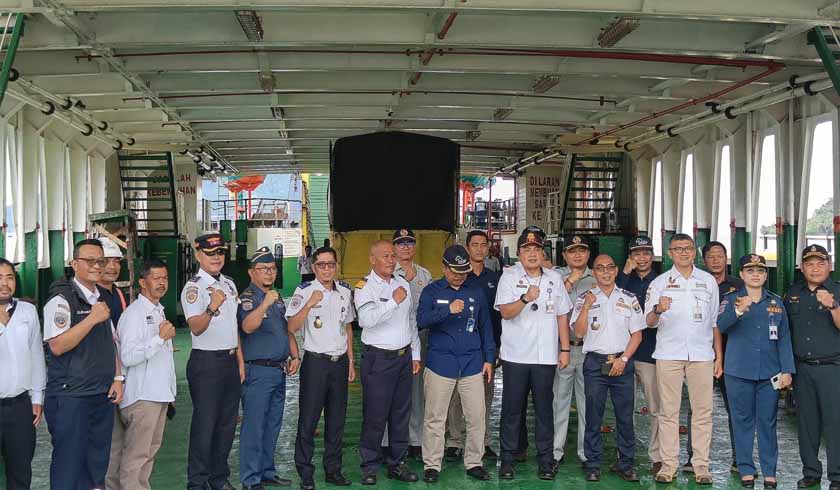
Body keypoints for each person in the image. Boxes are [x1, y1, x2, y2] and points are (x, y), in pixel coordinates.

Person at [42, 238, 125, 490]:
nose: (96, 266)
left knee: (96, 464)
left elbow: (110, 341)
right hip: (71, 395)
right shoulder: (61, 300)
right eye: (89, 260)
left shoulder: (101, 297)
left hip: (100, 394)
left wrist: (118, 378)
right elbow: (56, 345)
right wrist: (91, 319)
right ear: (74, 263)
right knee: (69, 465)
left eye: (100, 261)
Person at [495, 226, 572, 481]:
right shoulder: (508, 277)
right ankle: (507, 459)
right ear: (519, 253)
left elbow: (562, 315)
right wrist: (525, 299)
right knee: (512, 410)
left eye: (536, 249)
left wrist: (564, 348)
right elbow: (505, 312)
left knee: (544, 411)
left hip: (545, 357)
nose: (531, 254)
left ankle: (546, 461)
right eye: (526, 249)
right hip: (516, 356)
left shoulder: (554, 279)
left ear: (543, 253)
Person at [644, 233, 721, 485]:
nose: (684, 253)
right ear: (669, 253)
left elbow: (713, 323)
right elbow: (649, 322)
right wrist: (658, 309)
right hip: (669, 354)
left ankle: (701, 466)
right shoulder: (659, 283)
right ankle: (668, 465)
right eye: (678, 249)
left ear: (695, 252)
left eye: (688, 248)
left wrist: (718, 357)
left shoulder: (708, 281)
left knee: (703, 412)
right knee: (668, 412)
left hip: (701, 355)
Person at [417, 245, 495, 483]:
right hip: (441, 363)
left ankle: (474, 462)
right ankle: (432, 464)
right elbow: (421, 321)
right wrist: (447, 311)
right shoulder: (431, 291)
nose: (459, 276)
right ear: (444, 268)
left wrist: (489, 359)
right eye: (455, 271)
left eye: (463, 271)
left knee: (476, 416)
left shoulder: (476, 292)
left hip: (472, 363)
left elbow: (486, 327)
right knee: (435, 417)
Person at [718, 254, 794, 489]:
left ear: (765, 275)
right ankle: (746, 470)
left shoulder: (775, 303)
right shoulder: (731, 300)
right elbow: (720, 326)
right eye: (750, 271)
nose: (755, 274)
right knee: (742, 421)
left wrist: (787, 370)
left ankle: (769, 472)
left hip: (769, 374)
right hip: (738, 371)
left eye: (760, 270)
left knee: (768, 422)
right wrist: (738, 312)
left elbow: (784, 339)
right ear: (741, 274)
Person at [287, 246, 356, 490]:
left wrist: (350, 360)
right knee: (308, 420)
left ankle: (333, 470)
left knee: (337, 421)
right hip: (315, 363)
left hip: (339, 364)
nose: (327, 269)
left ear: (337, 266)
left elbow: (347, 327)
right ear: (314, 267)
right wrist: (308, 305)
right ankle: (306, 473)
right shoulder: (304, 291)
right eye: (322, 265)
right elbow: (291, 327)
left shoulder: (345, 292)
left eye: (331, 264)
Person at [180, 233, 245, 490]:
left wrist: (239, 361)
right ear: (198, 254)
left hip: (229, 361)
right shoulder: (194, 288)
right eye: (210, 253)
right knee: (205, 426)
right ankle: (197, 482)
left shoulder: (229, 284)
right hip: (206, 363)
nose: (216, 257)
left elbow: (233, 328)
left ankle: (219, 479)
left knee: (227, 425)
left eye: (220, 253)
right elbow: (195, 327)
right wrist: (211, 307)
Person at [106, 259, 177, 490]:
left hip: (157, 395)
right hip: (142, 397)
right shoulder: (134, 315)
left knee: (146, 457)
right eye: (155, 278)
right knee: (135, 459)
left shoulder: (158, 311)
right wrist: (159, 338)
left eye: (164, 278)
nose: (161, 283)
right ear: (142, 282)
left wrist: (171, 392)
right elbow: (128, 356)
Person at [355, 240, 421, 485]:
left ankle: (398, 462)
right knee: (375, 414)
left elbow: (410, 321)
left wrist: (415, 353)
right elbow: (366, 320)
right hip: (379, 359)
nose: (391, 260)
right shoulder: (365, 287)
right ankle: (369, 465)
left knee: (400, 413)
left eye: (393, 255)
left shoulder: (402, 283)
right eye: (385, 256)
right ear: (373, 260)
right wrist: (393, 302)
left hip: (403, 358)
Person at [572, 254, 643, 483]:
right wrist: (586, 308)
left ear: (615, 270)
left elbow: (637, 334)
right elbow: (579, 333)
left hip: (622, 362)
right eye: (600, 268)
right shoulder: (585, 298)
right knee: (594, 415)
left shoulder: (629, 298)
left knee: (625, 417)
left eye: (610, 267)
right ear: (594, 272)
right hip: (595, 363)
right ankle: (592, 464)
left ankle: (626, 464)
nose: (605, 272)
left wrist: (623, 359)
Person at [238, 247, 300, 490]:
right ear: (252, 272)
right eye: (264, 269)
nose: (269, 273)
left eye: (273, 268)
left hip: (278, 370)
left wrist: (294, 355)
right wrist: (264, 304)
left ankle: (266, 471)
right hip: (258, 371)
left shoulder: (276, 298)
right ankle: (250, 479)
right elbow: (247, 326)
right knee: (254, 426)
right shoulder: (249, 298)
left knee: (273, 424)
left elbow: (285, 330)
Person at [683, 241, 743, 474]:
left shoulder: (739, 286)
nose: (716, 260)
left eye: (720, 255)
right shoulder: (698, 283)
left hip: (734, 355)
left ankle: (741, 458)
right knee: (697, 408)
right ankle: (693, 457)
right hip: (702, 353)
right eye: (711, 256)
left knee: (736, 408)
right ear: (703, 260)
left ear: (726, 258)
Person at [784, 244, 840, 490]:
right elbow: (784, 333)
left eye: (820, 263)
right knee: (806, 423)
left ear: (829, 266)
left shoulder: (837, 292)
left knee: (835, 423)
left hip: (832, 368)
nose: (815, 268)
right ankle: (811, 472)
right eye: (810, 264)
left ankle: (837, 476)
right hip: (802, 369)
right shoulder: (793, 294)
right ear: (802, 268)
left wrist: (833, 306)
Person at [446, 230, 502, 461]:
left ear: (488, 248)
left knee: (485, 397)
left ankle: (484, 442)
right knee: (457, 396)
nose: (479, 248)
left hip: (488, 347)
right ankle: (454, 442)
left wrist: (496, 348)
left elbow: (500, 316)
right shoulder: (460, 278)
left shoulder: (495, 279)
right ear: (467, 248)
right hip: (462, 346)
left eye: (483, 244)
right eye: (474, 244)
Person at [616, 235, 661, 474]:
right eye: (636, 253)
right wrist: (624, 271)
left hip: (651, 353)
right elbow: (613, 298)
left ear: (652, 256)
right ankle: (625, 456)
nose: (641, 258)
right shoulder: (624, 281)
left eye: (645, 253)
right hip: (624, 351)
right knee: (624, 409)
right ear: (630, 257)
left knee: (655, 407)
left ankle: (657, 456)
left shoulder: (661, 281)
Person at [0, 258, 46, 490]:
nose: (4, 283)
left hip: (19, 406)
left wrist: (37, 398)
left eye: (9, 277)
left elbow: (37, 356)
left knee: (20, 473)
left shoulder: (27, 311)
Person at [553, 234, 594, 468]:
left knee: (587, 404)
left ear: (588, 253)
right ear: (564, 255)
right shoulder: (555, 277)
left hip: (588, 350)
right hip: (562, 350)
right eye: (572, 251)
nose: (577, 255)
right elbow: (554, 303)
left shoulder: (598, 275)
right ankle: (556, 453)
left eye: (582, 250)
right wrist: (572, 279)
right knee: (559, 402)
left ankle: (586, 454)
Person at [392, 229, 432, 459]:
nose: (405, 247)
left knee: (418, 391)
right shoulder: (388, 273)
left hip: (420, 337)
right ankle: (391, 440)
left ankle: (416, 440)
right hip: (394, 339)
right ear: (394, 247)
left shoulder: (424, 275)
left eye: (409, 243)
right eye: (400, 243)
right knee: (393, 391)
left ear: (415, 246)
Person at [98, 236, 128, 327]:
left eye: (116, 261)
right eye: (105, 261)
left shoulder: (120, 294)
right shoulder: (89, 296)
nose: (112, 266)